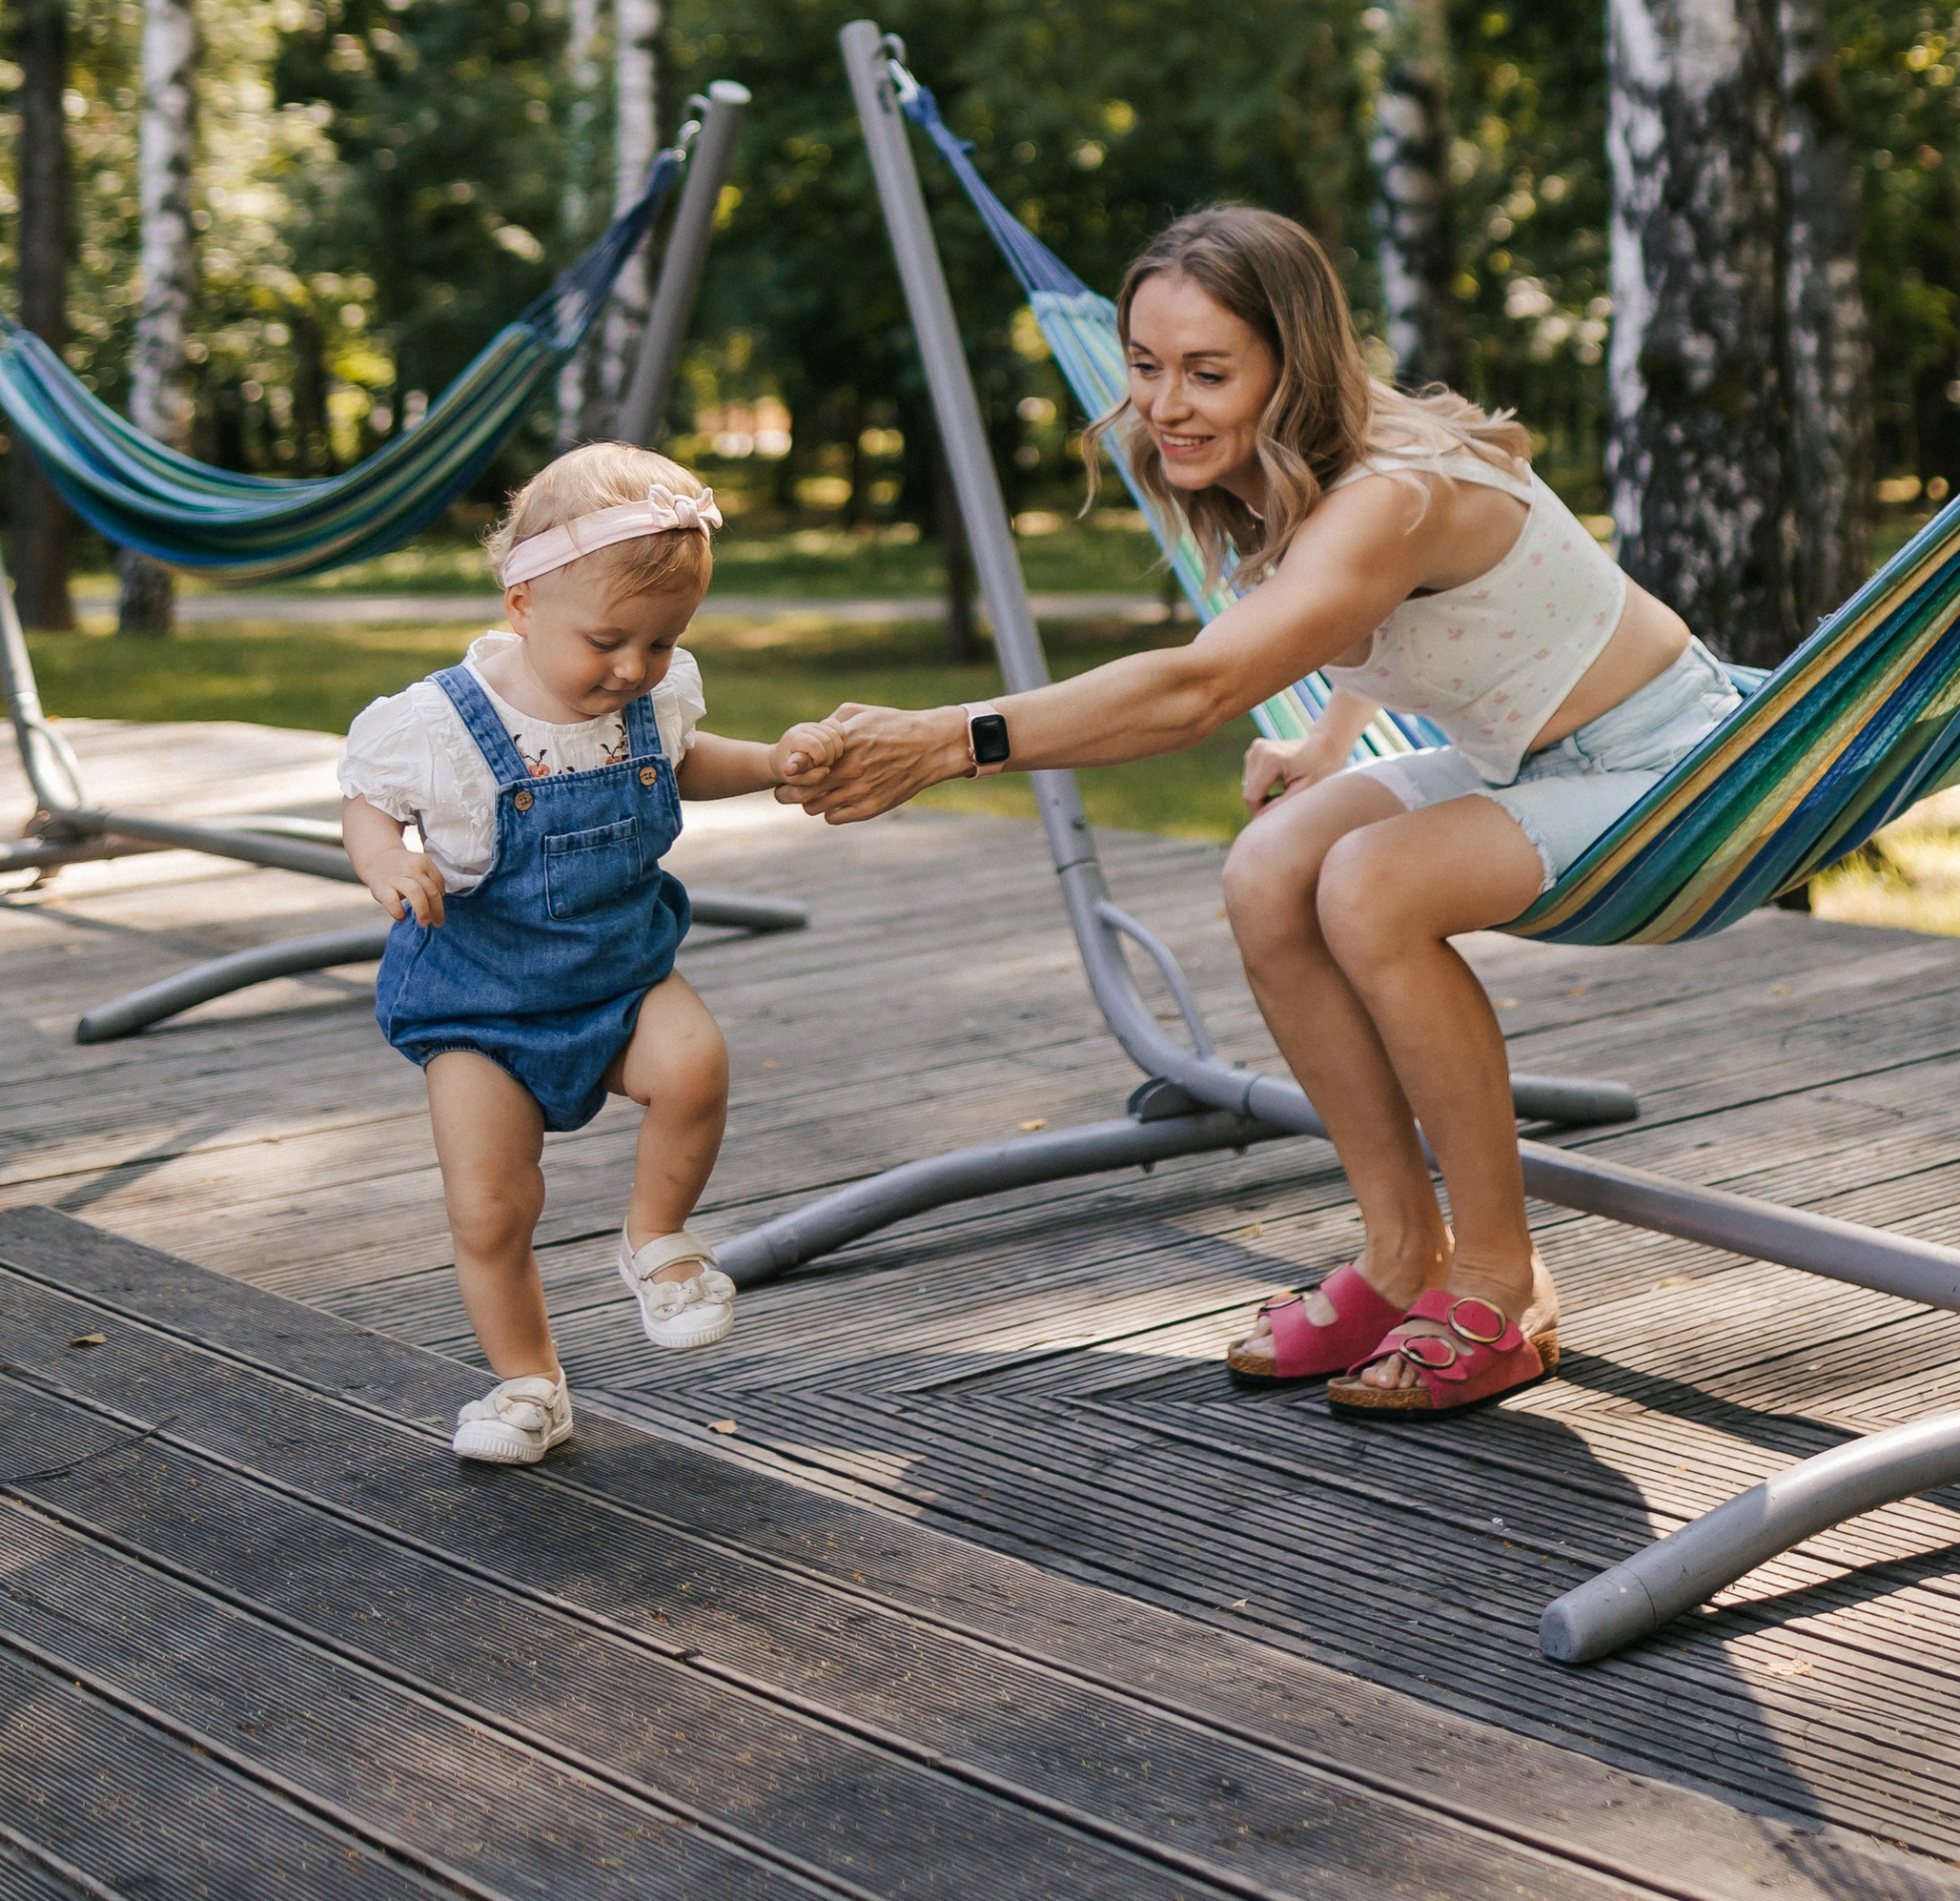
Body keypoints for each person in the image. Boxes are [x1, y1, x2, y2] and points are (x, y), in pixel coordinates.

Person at [776, 209, 1763, 1417]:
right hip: (1519, 754)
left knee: (1368, 885)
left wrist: (949, 737)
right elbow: (1389, 628)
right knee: (1267, 869)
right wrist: (1325, 739)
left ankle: (1504, 1282)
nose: (1164, 404)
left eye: (1206, 372)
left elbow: (1198, 687)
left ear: (1292, 366)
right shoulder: (1290, 467)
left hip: (1672, 766)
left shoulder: (1391, 492)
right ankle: (1404, 1255)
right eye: (1143, 367)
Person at [338, 442, 786, 1466]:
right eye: (609, 640)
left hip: (621, 979)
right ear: (522, 601)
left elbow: (684, 762)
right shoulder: (440, 725)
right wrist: (386, 862)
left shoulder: (647, 701)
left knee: (696, 1063)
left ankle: (654, 1239)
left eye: (664, 642)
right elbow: (366, 803)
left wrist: (770, 764)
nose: (634, 668)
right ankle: (529, 1383)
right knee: (490, 1204)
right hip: (479, 1009)